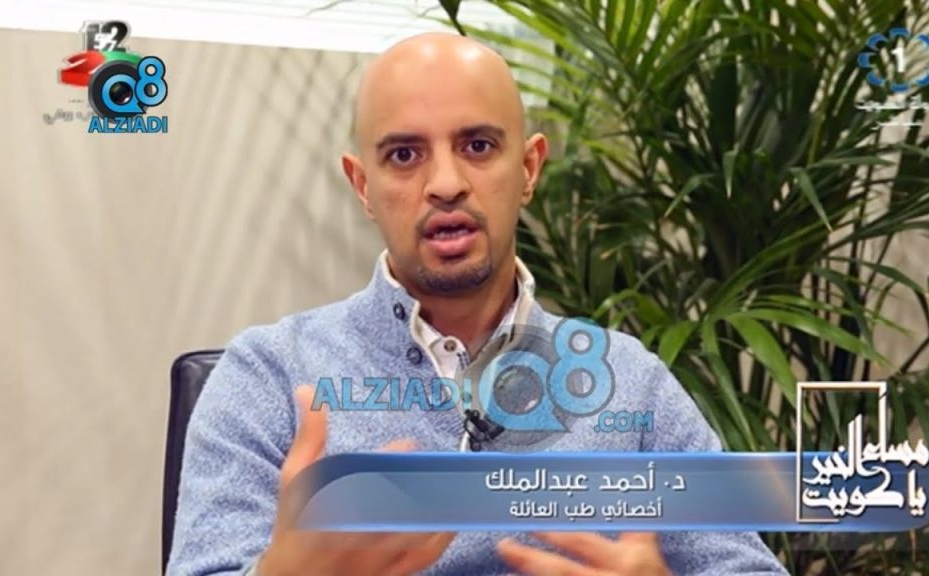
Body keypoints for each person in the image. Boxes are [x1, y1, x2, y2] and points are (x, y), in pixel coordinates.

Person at [167, 32, 788, 576]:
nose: (445, 184)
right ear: (363, 186)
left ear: (529, 168)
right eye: (404, 155)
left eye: (479, 146)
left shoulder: (632, 386)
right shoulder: (269, 376)